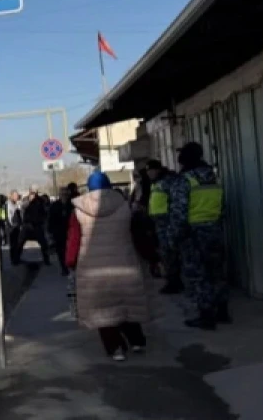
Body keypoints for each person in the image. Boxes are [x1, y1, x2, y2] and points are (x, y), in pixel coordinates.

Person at [66, 171, 150, 361]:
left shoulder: (79, 210)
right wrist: (151, 257)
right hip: (124, 264)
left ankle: (116, 349)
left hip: (92, 269)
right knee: (125, 304)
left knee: (103, 311)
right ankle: (137, 341)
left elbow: (73, 240)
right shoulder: (125, 206)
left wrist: (70, 262)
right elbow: (138, 235)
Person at [170, 142, 228, 330]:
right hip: (214, 231)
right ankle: (222, 311)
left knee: (198, 275)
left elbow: (179, 213)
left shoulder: (185, 180)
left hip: (193, 234)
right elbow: (222, 206)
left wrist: (175, 237)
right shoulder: (213, 177)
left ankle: (206, 315)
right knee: (216, 272)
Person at [147, 159, 185, 294]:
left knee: (170, 253)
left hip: (168, 223)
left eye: (151, 170)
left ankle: (174, 282)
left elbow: (175, 201)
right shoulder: (156, 183)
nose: (149, 173)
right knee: (165, 253)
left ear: (157, 170)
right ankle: (173, 280)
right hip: (160, 224)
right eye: (148, 171)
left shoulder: (167, 181)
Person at [13, 185, 51, 266]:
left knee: (43, 243)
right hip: (27, 225)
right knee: (20, 242)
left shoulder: (40, 200)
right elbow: (22, 208)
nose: (33, 194)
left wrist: (42, 222)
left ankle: (46, 260)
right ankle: (16, 259)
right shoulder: (26, 199)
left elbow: (44, 211)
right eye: (31, 192)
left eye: (34, 192)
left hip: (37, 225)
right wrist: (29, 201)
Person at [48, 183, 79, 276]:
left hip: (70, 231)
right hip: (59, 232)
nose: (64, 195)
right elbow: (51, 219)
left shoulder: (72, 204)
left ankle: (72, 266)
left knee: (71, 250)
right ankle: (64, 268)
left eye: (66, 193)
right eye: (62, 193)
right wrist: (51, 232)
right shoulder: (55, 205)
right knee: (61, 251)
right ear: (60, 194)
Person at [6, 191, 23, 264]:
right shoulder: (8, 204)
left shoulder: (16, 204)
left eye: (17, 196)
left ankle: (17, 258)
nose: (16, 197)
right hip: (11, 227)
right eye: (15, 196)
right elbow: (8, 216)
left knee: (17, 243)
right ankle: (14, 260)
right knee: (13, 244)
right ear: (11, 196)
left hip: (17, 227)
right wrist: (12, 224)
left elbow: (19, 215)